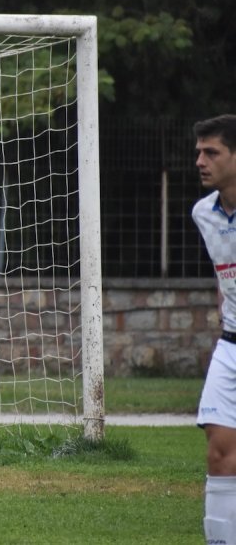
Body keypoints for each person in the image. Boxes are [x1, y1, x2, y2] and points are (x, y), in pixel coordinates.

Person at [193, 114, 236, 544]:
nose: (201, 161)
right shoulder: (202, 213)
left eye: (212, 152)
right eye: (198, 153)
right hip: (230, 345)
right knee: (220, 453)